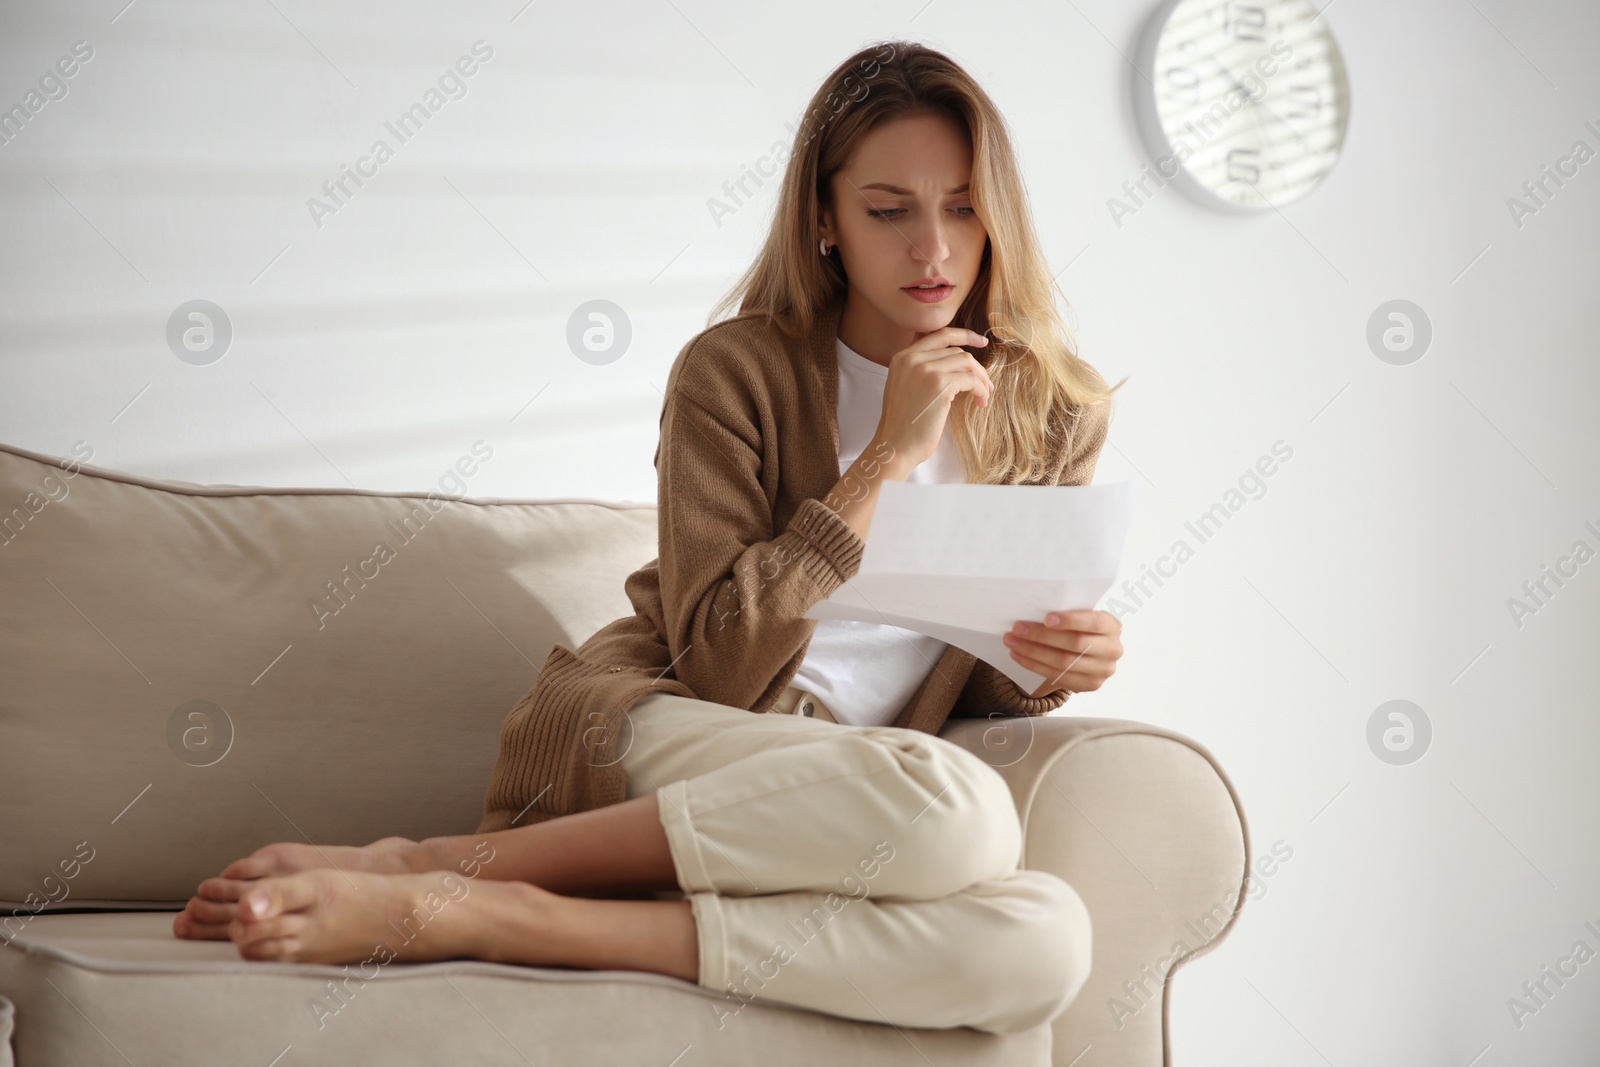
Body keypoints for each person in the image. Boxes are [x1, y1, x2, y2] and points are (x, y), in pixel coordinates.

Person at [172, 39, 1127, 1036]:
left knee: (1047, 937)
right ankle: (431, 868)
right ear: (825, 220)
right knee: (962, 811)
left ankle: (518, 916)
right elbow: (718, 662)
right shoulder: (734, 372)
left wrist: (1049, 661)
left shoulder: (1053, 408)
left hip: (845, 794)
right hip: (672, 722)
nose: (932, 247)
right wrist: (883, 458)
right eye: (888, 210)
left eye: (964, 205)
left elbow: (964, 671)